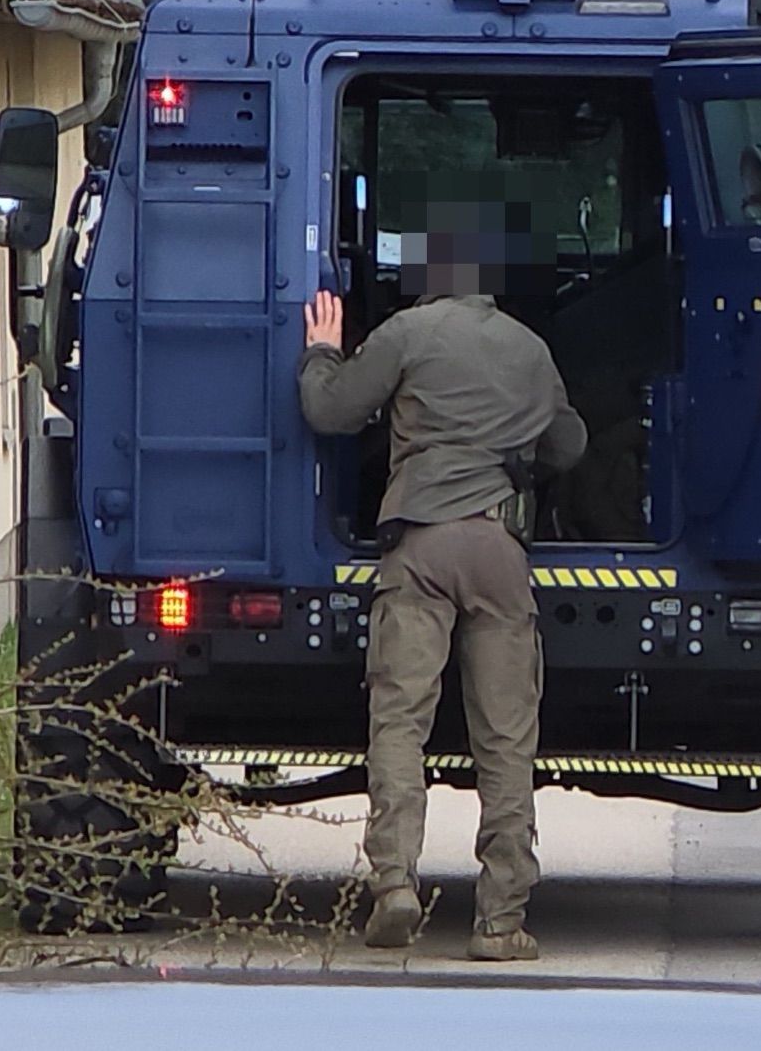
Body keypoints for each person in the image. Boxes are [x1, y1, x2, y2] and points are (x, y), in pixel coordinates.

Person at [298, 199, 586, 960]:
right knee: (505, 741)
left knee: (400, 721)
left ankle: (395, 882)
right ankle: (500, 921)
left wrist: (321, 350)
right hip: (497, 548)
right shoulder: (529, 348)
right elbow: (569, 444)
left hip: (419, 548)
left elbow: (329, 411)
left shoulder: (407, 333)